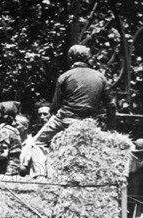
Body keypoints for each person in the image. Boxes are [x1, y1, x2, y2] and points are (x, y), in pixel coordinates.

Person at [24, 45, 117, 175]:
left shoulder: (65, 76)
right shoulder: (100, 77)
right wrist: (111, 128)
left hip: (65, 119)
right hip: (88, 122)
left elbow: (55, 106)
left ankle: (39, 175)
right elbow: (111, 105)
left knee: (36, 144)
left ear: (71, 58)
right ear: (88, 58)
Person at [0, 102, 22, 176]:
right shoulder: (13, 130)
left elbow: (3, 154)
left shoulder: (3, 131)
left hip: (5, 171)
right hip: (14, 168)